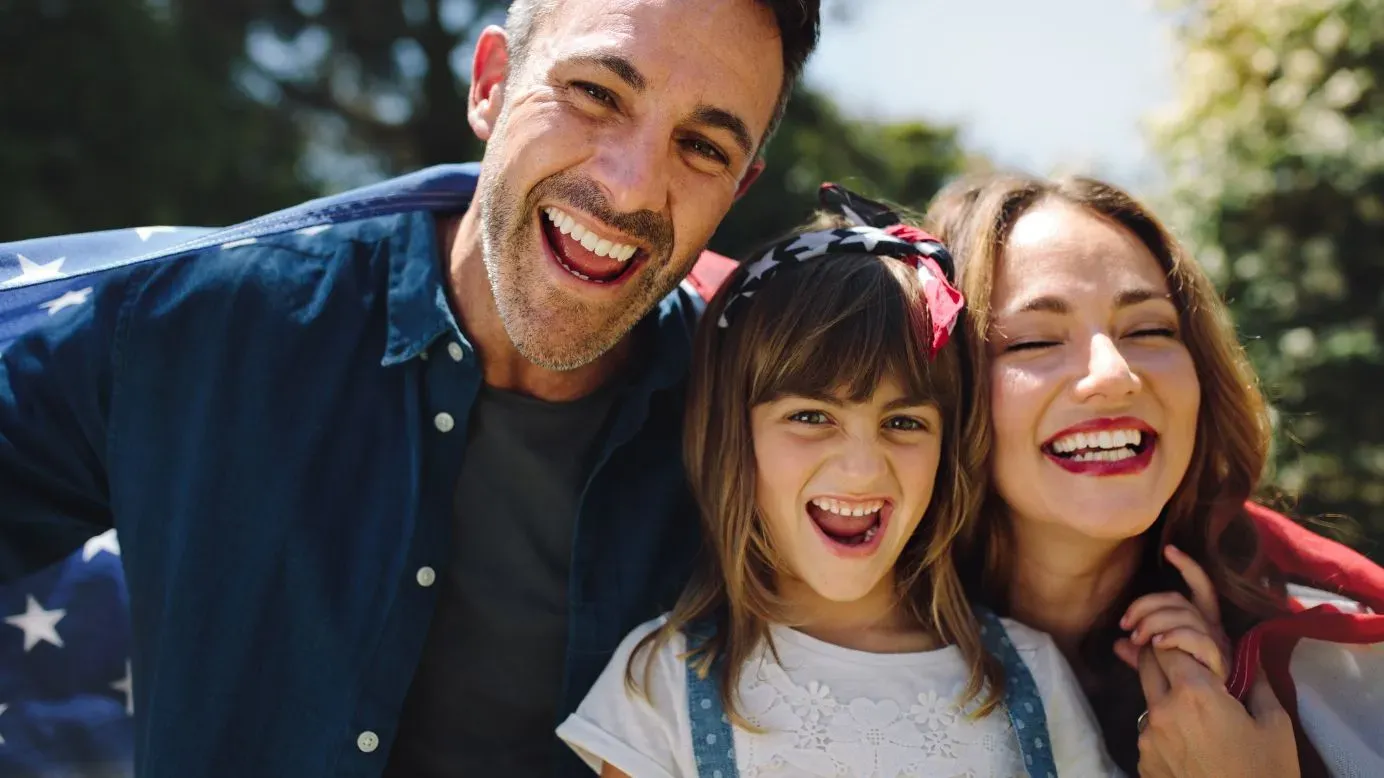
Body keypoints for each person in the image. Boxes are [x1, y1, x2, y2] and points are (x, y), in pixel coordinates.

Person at [0, 1, 822, 776]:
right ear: (492, 85)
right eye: (596, 94)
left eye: (704, 148)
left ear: (739, 186)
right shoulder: (199, 323)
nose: (633, 185)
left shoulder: (768, 443)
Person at [556, 184, 1120, 777]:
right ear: (732, 435)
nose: (861, 468)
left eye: (903, 422)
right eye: (810, 417)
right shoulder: (662, 682)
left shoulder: (1031, 676)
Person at [926, 171, 1384, 777]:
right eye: (1034, 341)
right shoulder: (820, 643)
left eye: (1149, 330)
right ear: (939, 388)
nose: (1114, 373)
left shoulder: (1340, 648)